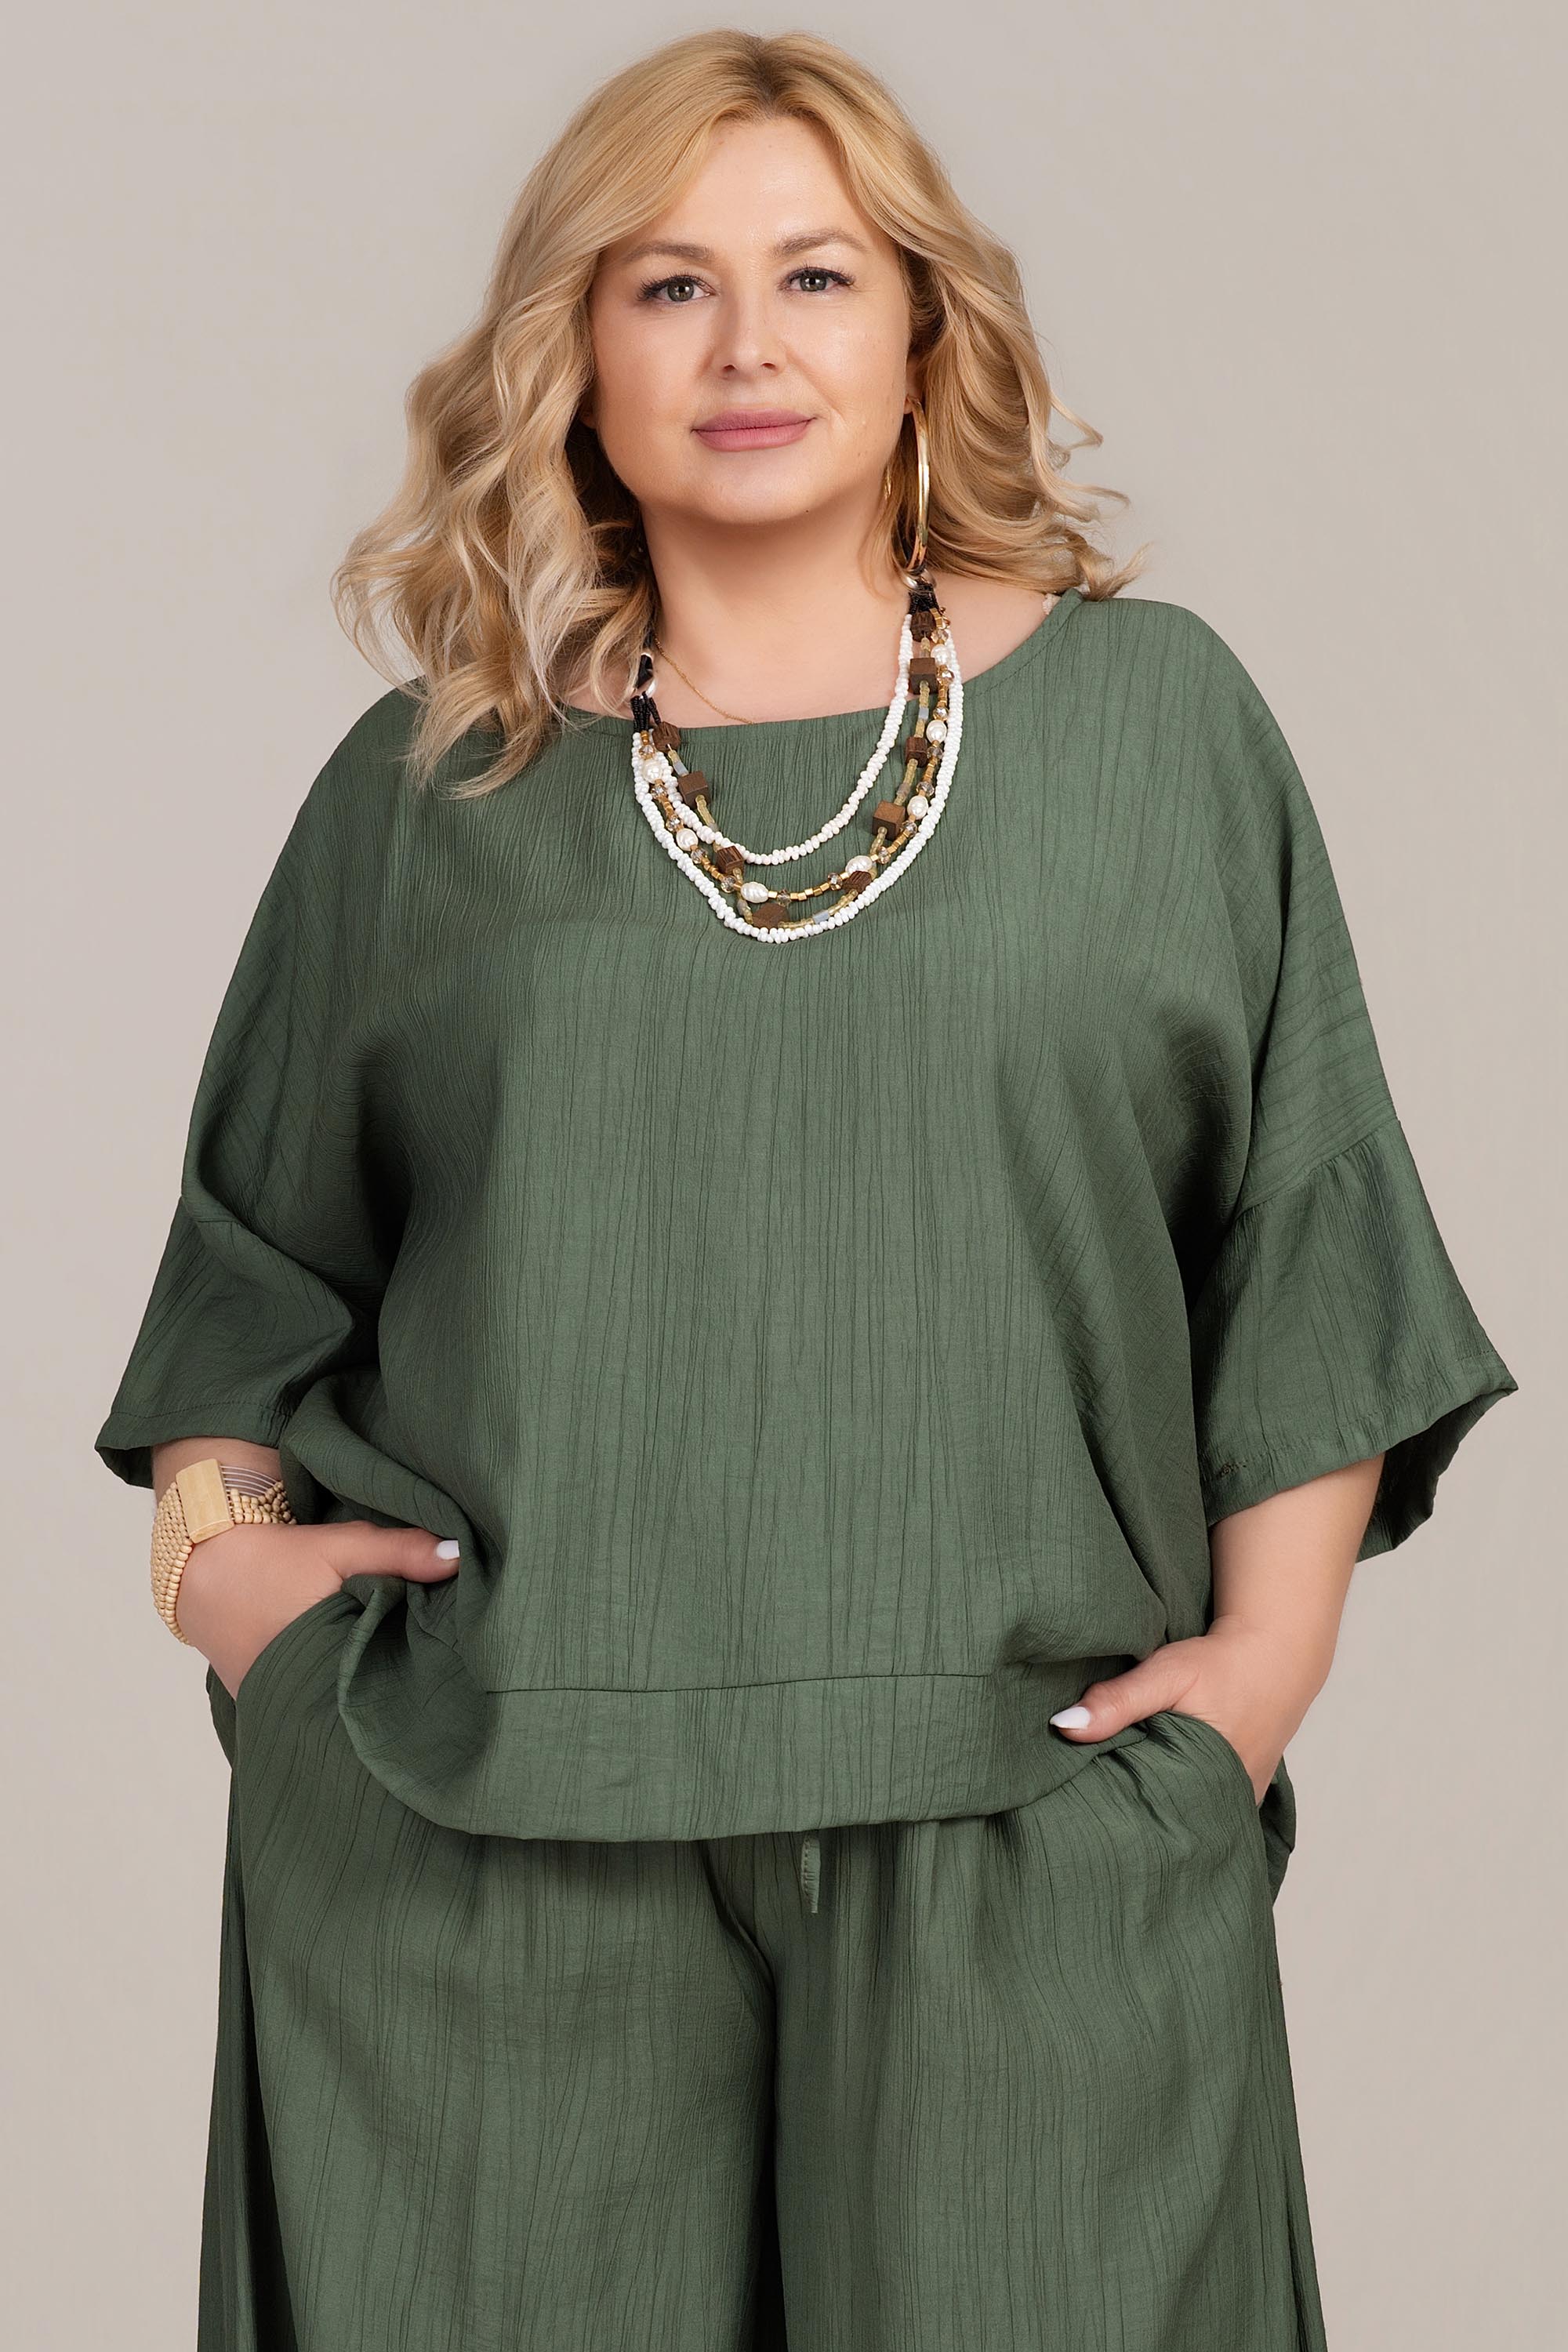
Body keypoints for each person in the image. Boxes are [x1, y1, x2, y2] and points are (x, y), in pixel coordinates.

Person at [95, 28, 1518, 2352]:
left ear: (925, 325)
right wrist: (231, 1590)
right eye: (669, 285)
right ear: (575, 350)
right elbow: (241, 1283)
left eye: (817, 276)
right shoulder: (431, 793)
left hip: (1024, 1826)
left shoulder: (1163, 734)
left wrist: (1257, 1686)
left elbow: (1304, 1232)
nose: (746, 345)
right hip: (485, 1844)